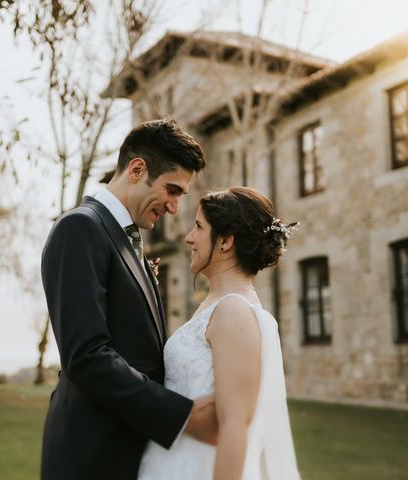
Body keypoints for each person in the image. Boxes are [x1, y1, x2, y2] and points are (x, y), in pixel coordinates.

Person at [40, 119, 216, 480]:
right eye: (172, 190)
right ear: (137, 170)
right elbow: (86, 355)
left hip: (131, 449)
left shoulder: (126, 239)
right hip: (92, 456)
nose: (173, 208)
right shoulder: (80, 228)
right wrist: (181, 416)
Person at [138, 186, 302, 480]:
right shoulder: (214, 306)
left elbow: (234, 426)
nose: (189, 237)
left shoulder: (234, 311)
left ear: (226, 241)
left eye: (199, 227)